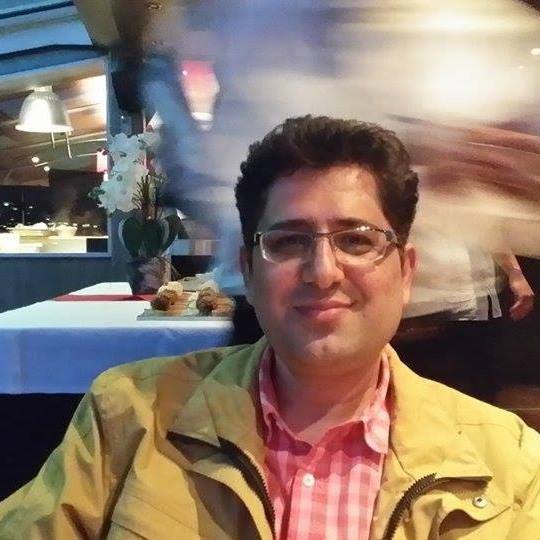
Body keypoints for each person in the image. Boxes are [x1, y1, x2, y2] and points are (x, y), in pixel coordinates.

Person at [1, 116, 539, 539]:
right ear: (249, 272)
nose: (323, 272)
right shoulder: (129, 416)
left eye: (356, 240)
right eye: (288, 242)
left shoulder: (509, 460)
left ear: (406, 273)